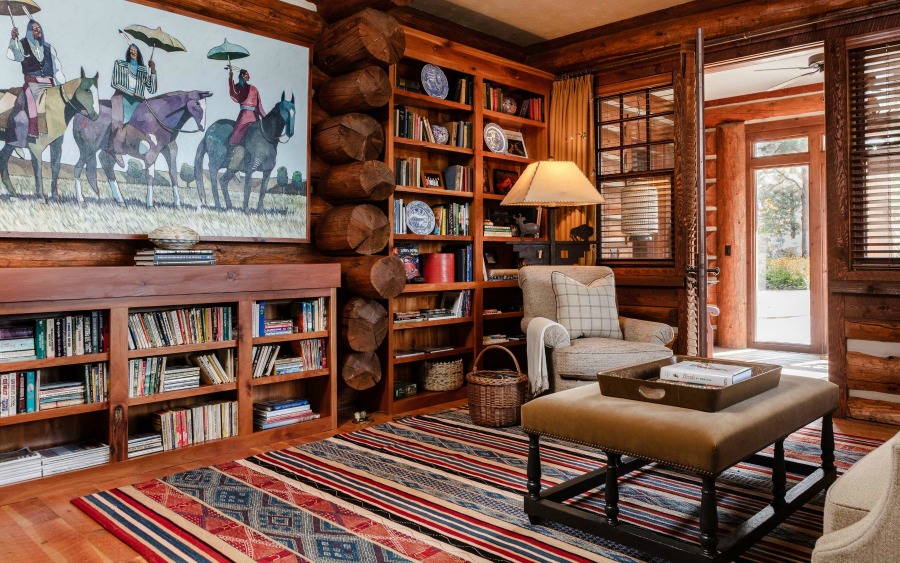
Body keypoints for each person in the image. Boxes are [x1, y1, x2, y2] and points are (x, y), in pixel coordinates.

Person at [6, 19, 65, 145]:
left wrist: (61, 85)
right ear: (28, 31)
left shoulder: (48, 48)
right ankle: (30, 134)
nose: (37, 30)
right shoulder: (22, 44)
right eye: (34, 28)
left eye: (38, 28)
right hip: (32, 84)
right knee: (29, 105)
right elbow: (13, 55)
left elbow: (57, 67)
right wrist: (13, 39)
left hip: (50, 85)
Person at [110, 43, 157, 151]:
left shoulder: (143, 70)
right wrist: (132, 93)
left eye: (135, 50)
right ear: (128, 52)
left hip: (138, 101)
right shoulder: (120, 64)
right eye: (131, 50)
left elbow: (152, 89)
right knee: (123, 120)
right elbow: (115, 83)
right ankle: (117, 146)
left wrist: (153, 70)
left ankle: (141, 144)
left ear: (138, 53)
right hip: (122, 97)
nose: (133, 52)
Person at [227, 66, 265, 145]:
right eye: (247, 75)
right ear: (242, 76)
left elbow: (260, 107)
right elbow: (233, 96)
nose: (249, 76)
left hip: (255, 118)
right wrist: (231, 78)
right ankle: (233, 151)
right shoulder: (237, 87)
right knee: (236, 135)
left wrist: (266, 118)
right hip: (244, 117)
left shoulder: (254, 89)